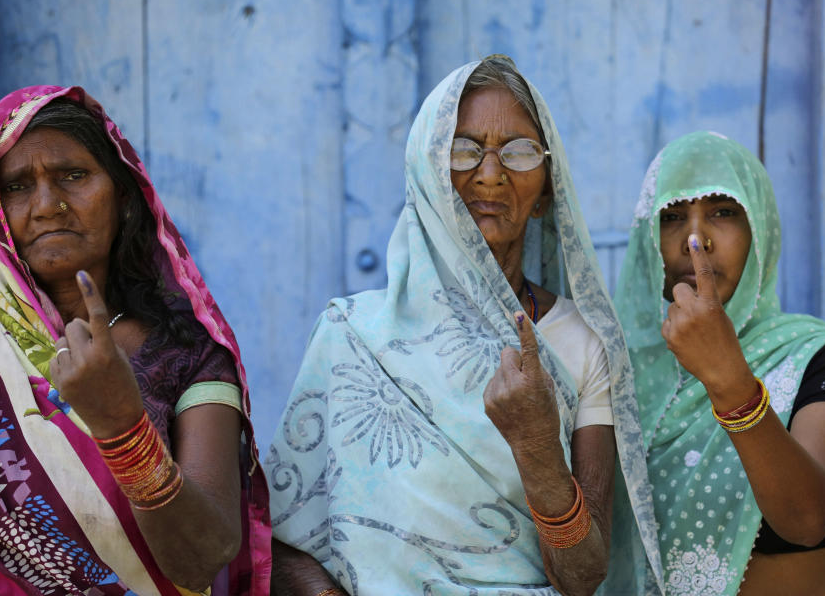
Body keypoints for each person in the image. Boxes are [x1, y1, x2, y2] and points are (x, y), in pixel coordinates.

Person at [266, 56, 661, 595]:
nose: (491, 173)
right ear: (429, 175)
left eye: (519, 152)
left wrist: (537, 446)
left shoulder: (582, 346)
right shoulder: (351, 334)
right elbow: (283, 535)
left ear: (547, 189)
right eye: (463, 149)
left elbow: (583, 575)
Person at [0, 86, 272, 595]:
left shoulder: (188, 355)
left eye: (73, 175)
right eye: (18, 185)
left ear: (123, 196)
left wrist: (121, 426)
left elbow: (203, 557)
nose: (48, 205)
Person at [609, 131, 825, 595]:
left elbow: (807, 519)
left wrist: (729, 380)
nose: (695, 239)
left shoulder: (819, 360)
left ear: (760, 228)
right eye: (673, 216)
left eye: (723, 212)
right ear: (648, 243)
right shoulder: (621, 378)